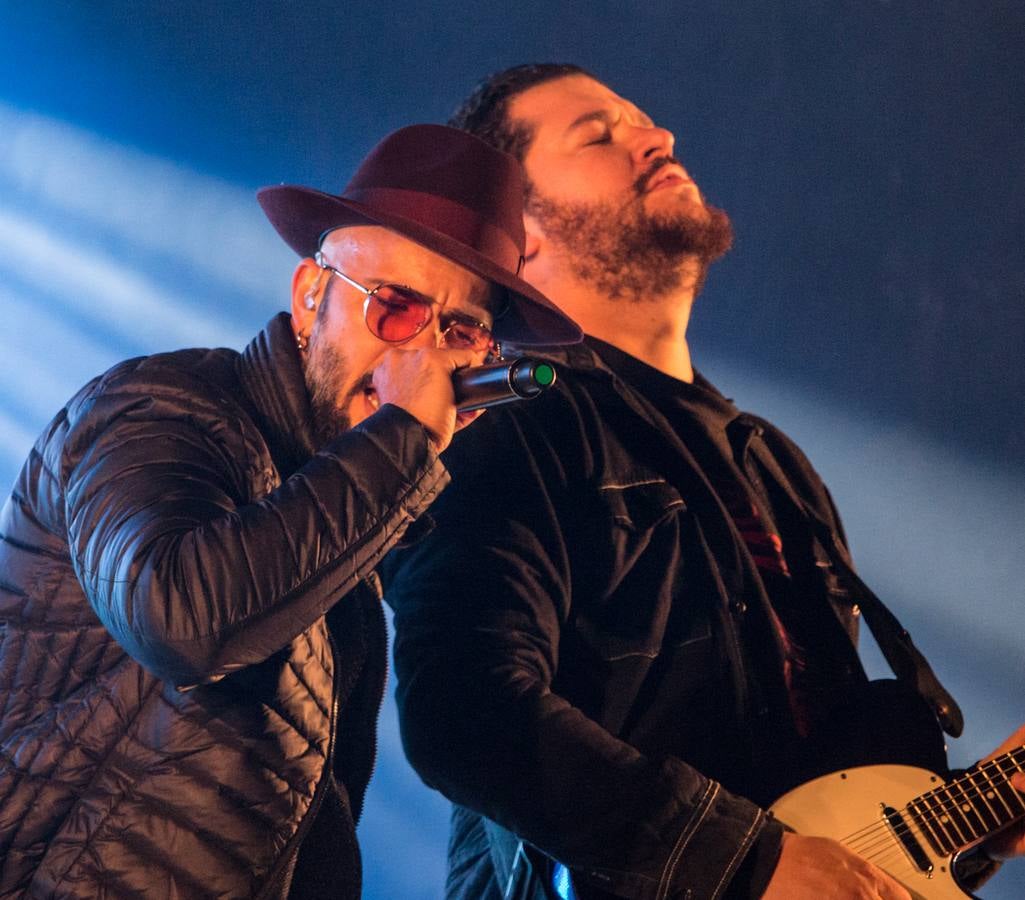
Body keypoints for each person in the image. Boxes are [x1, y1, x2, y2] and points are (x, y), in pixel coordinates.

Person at [382, 66, 1025, 899]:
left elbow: (815, 812)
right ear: (520, 234)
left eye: (645, 123)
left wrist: (967, 828)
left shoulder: (773, 464)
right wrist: (745, 861)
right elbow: (465, 717)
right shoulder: (508, 427)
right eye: (598, 134)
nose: (657, 139)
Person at [0, 123, 580, 899]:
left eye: (458, 331)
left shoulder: (352, 530)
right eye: (397, 308)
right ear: (312, 297)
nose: (420, 355)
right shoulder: (162, 407)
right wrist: (403, 435)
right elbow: (179, 619)